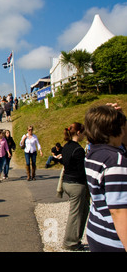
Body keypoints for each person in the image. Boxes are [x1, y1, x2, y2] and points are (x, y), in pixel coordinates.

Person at [84, 105, 127, 252]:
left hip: (97, 232)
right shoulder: (115, 161)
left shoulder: (93, 154)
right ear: (115, 129)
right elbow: (119, 211)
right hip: (114, 239)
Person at [61, 122, 90, 251]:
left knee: (82, 210)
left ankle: (75, 239)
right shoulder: (78, 150)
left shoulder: (66, 147)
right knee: (75, 214)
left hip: (67, 181)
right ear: (78, 133)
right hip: (76, 184)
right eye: (83, 132)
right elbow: (81, 171)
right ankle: (70, 242)